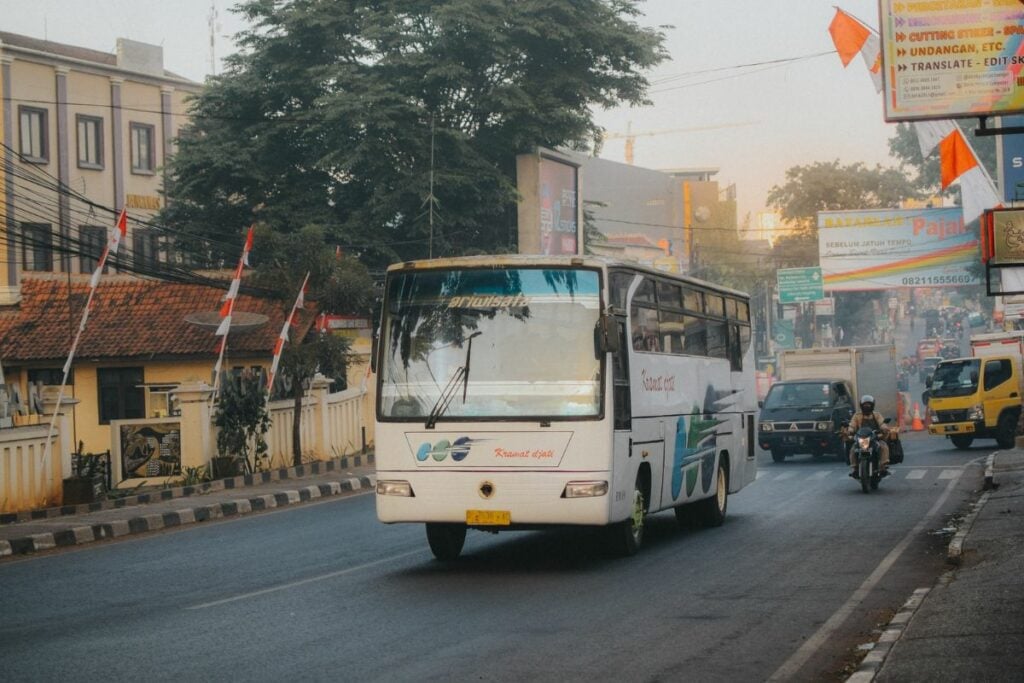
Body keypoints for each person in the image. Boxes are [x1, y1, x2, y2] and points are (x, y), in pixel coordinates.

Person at [845, 394, 890, 478]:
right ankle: (855, 469)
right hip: (861, 438)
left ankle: (883, 467)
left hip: (875, 438)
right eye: (865, 405)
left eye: (869, 404)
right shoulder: (857, 416)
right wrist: (850, 430)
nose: (867, 406)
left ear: (872, 405)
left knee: (883, 446)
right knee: (853, 449)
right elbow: (852, 425)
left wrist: (884, 428)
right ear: (861, 406)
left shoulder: (877, 415)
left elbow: (882, 423)